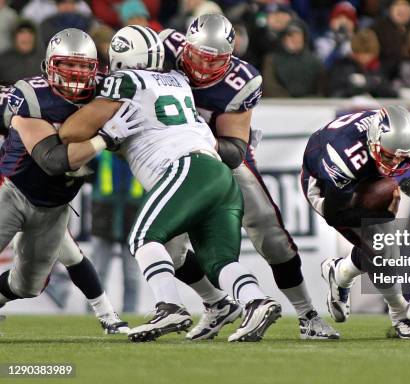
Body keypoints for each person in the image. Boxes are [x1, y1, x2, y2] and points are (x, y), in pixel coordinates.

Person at [59, 25, 283, 343]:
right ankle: (255, 300)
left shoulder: (127, 81)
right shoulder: (178, 80)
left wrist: (104, 134)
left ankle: (170, 306)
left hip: (184, 168)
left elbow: (71, 132)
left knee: (144, 237)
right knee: (218, 260)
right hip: (219, 173)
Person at [160, 14, 339, 340]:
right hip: (173, 162)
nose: (202, 64)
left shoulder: (240, 80)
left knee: (270, 234)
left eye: (214, 60)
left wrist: (197, 133)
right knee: (167, 250)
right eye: (198, 54)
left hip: (221, 156)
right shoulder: (161, 49)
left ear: (229, 58)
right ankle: (215, 304)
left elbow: (233, 150)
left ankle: (307, 315)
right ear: (185, 46)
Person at [0, 28, 134, 334]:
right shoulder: (32, 96)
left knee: (28, 285)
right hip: (12, 189)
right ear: (49, 65)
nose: (75, 74)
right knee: (72, 255)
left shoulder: (105, 94)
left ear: (95, 69)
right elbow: (53, 161)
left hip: (54, 205)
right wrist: (103, 138)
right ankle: (109, 317)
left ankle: (109, 317)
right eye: (67, 65)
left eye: (83, 66)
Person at [302, 106, 410, 338]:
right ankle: (400, 314)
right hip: (326, 188)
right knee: (384, 247)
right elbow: (335, 215)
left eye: (404, 157)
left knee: (381, 246)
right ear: (374, 141)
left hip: (363, 175)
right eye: (390, 155)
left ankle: (340, 272)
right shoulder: (344, 153)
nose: (396, 163)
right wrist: (383, 213)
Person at [89, 152, 143, 313]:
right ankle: (95, 314)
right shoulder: (100, 156)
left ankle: (130, 314)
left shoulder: (142, 156)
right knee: (97, 273)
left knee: (131, 276)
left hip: (133, 222)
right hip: (104, 220)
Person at [326, 28, 396, 98]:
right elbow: (334, 94)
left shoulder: (379, 68)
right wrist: (357, 88)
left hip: (375, 107)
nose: (365, 58)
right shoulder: (342, 67)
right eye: (361, 53)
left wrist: (374, 85)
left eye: (369, 54)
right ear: (354, 53)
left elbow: (390, 94)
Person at [262, 19, 324, 97]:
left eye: (299, 35)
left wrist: (307, 101)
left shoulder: (315, 62)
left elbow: (321, 90)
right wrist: (289, 100)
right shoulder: (271, 60)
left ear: (304, 38)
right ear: (283, 38)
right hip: (279, 106)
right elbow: (269, 86)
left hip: (309, 106)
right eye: (291, 35)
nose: (295, 39)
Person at [314, 1, 358, 69]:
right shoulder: (321, 43)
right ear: (331, 22)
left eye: (348, 18)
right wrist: (337, 47)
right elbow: (320, 68)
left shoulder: (358, 44)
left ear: (354, 24)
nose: (343, 22)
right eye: (339, 17)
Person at [0, 20, 44, 86]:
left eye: (30, 32)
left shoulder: (44, 59)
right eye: (21, 32)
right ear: (14, 37)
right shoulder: (3, 60)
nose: (26, 36)